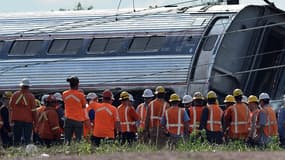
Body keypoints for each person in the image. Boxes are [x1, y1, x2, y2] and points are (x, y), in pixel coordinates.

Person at [9, 78, 37, 146]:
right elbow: (33, 110)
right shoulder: (31, 96)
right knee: (27, 138)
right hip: (28, 120)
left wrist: (11, 119)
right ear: (28, 87)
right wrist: (36, 121)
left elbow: (10, 106)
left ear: (21, 86)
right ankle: (26, 152)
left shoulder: (15, 95)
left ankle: (16, 150)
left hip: (17, 119)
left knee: (16, 138)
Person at [63, 76, 86, 145]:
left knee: (67, 139)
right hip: (78, 120)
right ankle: (78, 153)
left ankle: (66, 152)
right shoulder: (81, 95)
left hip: (68, 119)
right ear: (78, 84)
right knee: (78, 139)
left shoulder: (64, 94)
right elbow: (84, 106)